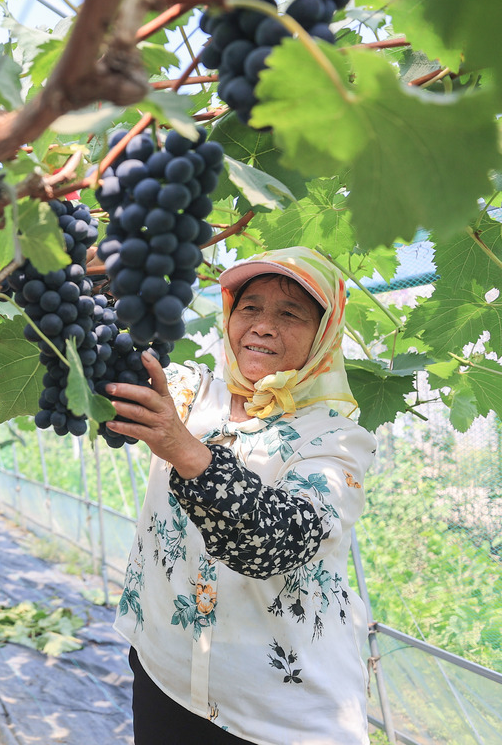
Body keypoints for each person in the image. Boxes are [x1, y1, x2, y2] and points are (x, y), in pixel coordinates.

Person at [105, 247, 376, 745]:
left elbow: (275, 543)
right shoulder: (188, 393)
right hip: (164, 673)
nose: (263, 326)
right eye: (250, 307)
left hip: (277, 717)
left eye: (290, 314)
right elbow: (100, 357)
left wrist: (187, 451)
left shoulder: (336, 440)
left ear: (323, 334)